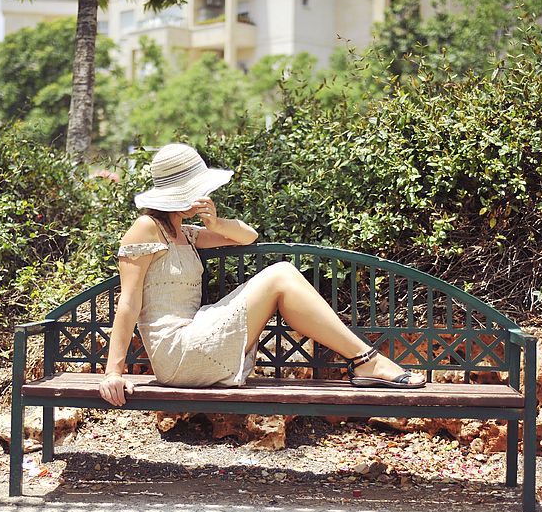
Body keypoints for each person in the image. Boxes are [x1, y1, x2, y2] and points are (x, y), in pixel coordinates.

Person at [99, 143, 427, 407]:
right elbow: (128, 304)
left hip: (195, 333)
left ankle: (365, 360)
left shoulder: (185, 232)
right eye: (190, 190)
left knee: (282, 276)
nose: (197, 195)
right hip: (177, 352)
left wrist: (215, 223)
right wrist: (113, 372)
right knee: (281, 274)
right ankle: (365, 360)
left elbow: (248, 236)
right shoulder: (146, 228)